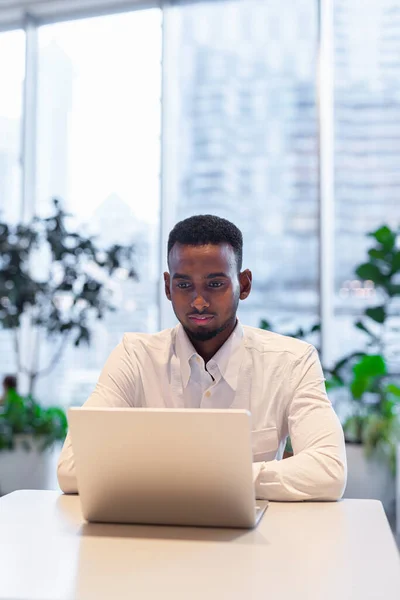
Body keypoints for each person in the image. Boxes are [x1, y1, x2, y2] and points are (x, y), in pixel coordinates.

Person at [58, 214, 347, 500]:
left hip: (252, 541)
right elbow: (71, 467)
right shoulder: (135, 357)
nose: (198, 301)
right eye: (184, 285)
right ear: (168, 286)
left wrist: (207, 478)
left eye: (215, 284)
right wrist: (227, 479)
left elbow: (329, 470)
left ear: (243, 285)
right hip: (153, 537)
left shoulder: (291, 362)